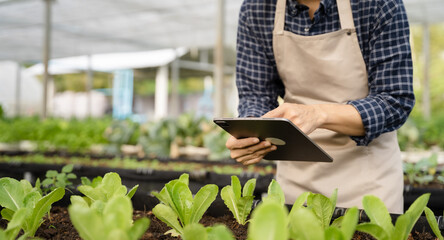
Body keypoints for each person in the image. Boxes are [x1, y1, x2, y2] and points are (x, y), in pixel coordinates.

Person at [226, 0, 414, 214]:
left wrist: (318, 114)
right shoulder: (257, 8)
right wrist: (251, 130)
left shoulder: (377, 4)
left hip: (369, 180)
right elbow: (256, 95)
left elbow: (395, 101)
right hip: (297, 180)